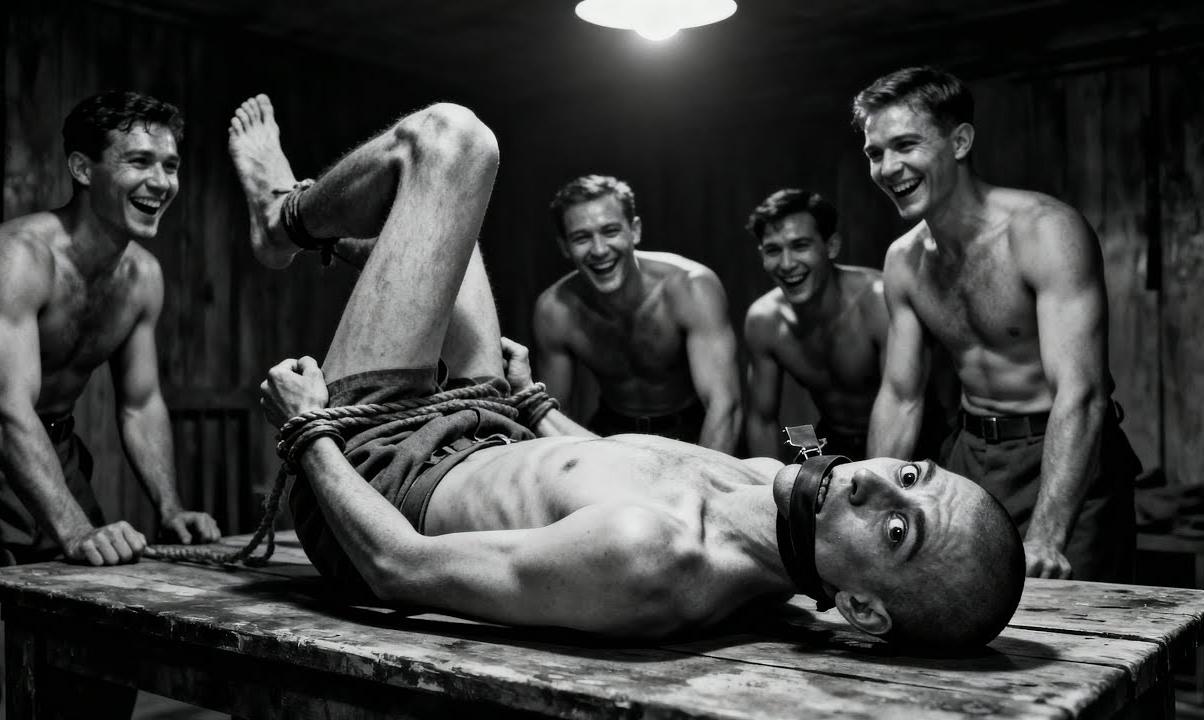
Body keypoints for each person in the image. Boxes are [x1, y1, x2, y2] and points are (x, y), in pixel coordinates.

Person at [228, 93, 1024, 653]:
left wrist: (308, 430)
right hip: (513, 426)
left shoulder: (654, 556)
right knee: (448, 222)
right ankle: (352, 249)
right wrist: (533, 404)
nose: (875, 486)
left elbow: (397, 566)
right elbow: (671, 444)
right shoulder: (767, 431)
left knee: (451, 142)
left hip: (383, 468)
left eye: (897, 531)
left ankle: (285, 218)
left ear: (860, 608)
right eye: (909, 476)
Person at [0, 90, 222, 719]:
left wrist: (169, 507)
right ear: (83, 169)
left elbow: (140, 403)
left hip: (51, 449)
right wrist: (77, 529)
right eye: (139, 161)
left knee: (104, 652)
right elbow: (5, 410)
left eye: (170, 165)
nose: (161, 181)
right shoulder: (15, 256)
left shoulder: (142, 277)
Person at [857, 66, 1141, 582]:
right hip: (972, 459)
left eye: (905, 145)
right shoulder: (903, 261)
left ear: (960, 141)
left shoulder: (1044, 231)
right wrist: (870, 513)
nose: (889, 167)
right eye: (875, 153)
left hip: (1064, 454)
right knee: (959, 613)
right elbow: (900, 397)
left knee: (1073, 622)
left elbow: (1082, 392)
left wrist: (1048, 536)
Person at [532, 175, 741, 452]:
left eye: (610, 231)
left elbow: (724, 405)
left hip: (694, 430)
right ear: (564, 247)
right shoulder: (555, 310)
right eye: (581, 238)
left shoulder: (690, 287)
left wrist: (704, 474)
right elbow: (553, 415)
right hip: (613, 436)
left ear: (635, 230)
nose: (599, 250)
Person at [744, 189, 956, 462]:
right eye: (773, 250)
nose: (786, 264)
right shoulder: (764, 321)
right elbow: (762, 420)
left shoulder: (877, 302)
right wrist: (764, 483)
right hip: (836, 440)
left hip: (914, 438)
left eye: (800, 246)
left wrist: (872, 480)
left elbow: (901, 402)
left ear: (831, 246)